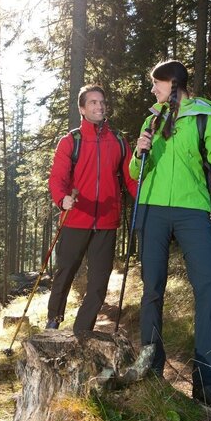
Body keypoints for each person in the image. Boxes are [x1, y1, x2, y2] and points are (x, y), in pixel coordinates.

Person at [129, 59, 211, 414]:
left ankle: (207, 383)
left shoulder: (205, 113)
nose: (152, 90)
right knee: (152, 289)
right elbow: (136, 172)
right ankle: (150, 369)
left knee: (209, 284)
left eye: (155, 84)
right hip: (152, 209)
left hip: (193, 209)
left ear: (172, 83)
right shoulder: (152, 119)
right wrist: (138, 152)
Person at [47, 84, 137, 331]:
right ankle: (53, 320)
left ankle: (82, 330)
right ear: (82, 109)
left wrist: (144, 200)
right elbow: (57, 178)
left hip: (107, 222)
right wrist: (62, 198)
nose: (99, 106)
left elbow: (130, 178)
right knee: (65, 273)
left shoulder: (118, 140)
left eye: (101, 102)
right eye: (93, 102)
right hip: (75, 219)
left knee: (99, 281)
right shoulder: (70, 141)